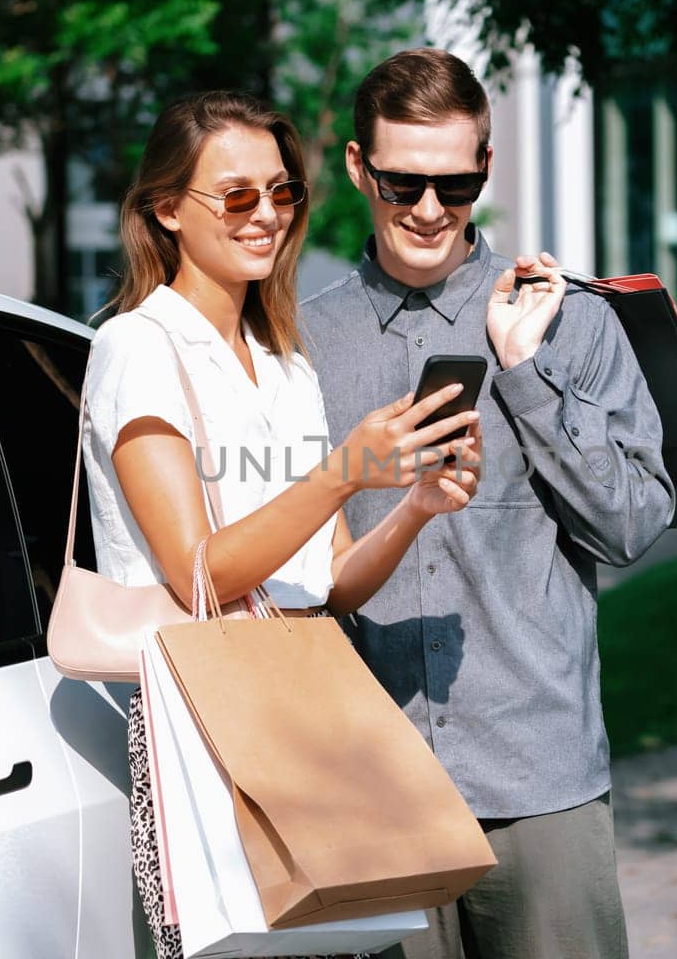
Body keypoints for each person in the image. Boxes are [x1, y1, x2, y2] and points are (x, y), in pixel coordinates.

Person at [83, 90, 483, 957]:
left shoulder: (285, 363)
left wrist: (413, 505)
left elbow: (330, 582)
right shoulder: (138, 348)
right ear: (165, 209)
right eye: (235, 197)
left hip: (305, 705)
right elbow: (197, 575)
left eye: (282, 192)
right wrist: (342, 474)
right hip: (209, 718)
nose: (266, 215)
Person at [298, 49, 676, 958]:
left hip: (537, 777)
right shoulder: (300, 343)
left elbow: (631, 522)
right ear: (359, 168)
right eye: (402, 183)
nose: (429, 209)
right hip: (369, 792)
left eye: (455, 184)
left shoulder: (572, 322)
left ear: (486, 168)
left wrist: (526, 372)